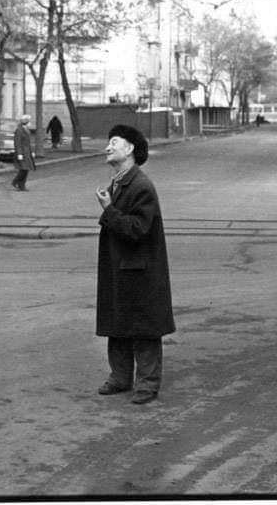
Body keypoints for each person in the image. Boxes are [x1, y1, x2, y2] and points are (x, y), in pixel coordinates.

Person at [95, 124, 174, 405]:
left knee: (144, 329)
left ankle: (147, 385)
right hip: (122, 267)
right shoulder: (119, 181)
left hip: (139, 270)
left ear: (129, 149)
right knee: (117, 324)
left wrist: (108, 210)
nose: (107, 147)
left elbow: (137, 229)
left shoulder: (141, 185)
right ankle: (120, 377)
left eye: (113, 142)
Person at [11, 114, 35, 191]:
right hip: (22, 152)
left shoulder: (26, 130)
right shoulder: (19, 130)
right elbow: (17, 143)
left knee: (26, 169)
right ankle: (16, 181)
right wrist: (19, 153)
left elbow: (28, 143)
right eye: (29, 122)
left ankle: (22, 184)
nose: (30, 124)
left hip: (27, 152)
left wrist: (31, 152)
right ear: (26, 122)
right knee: (24, 169)